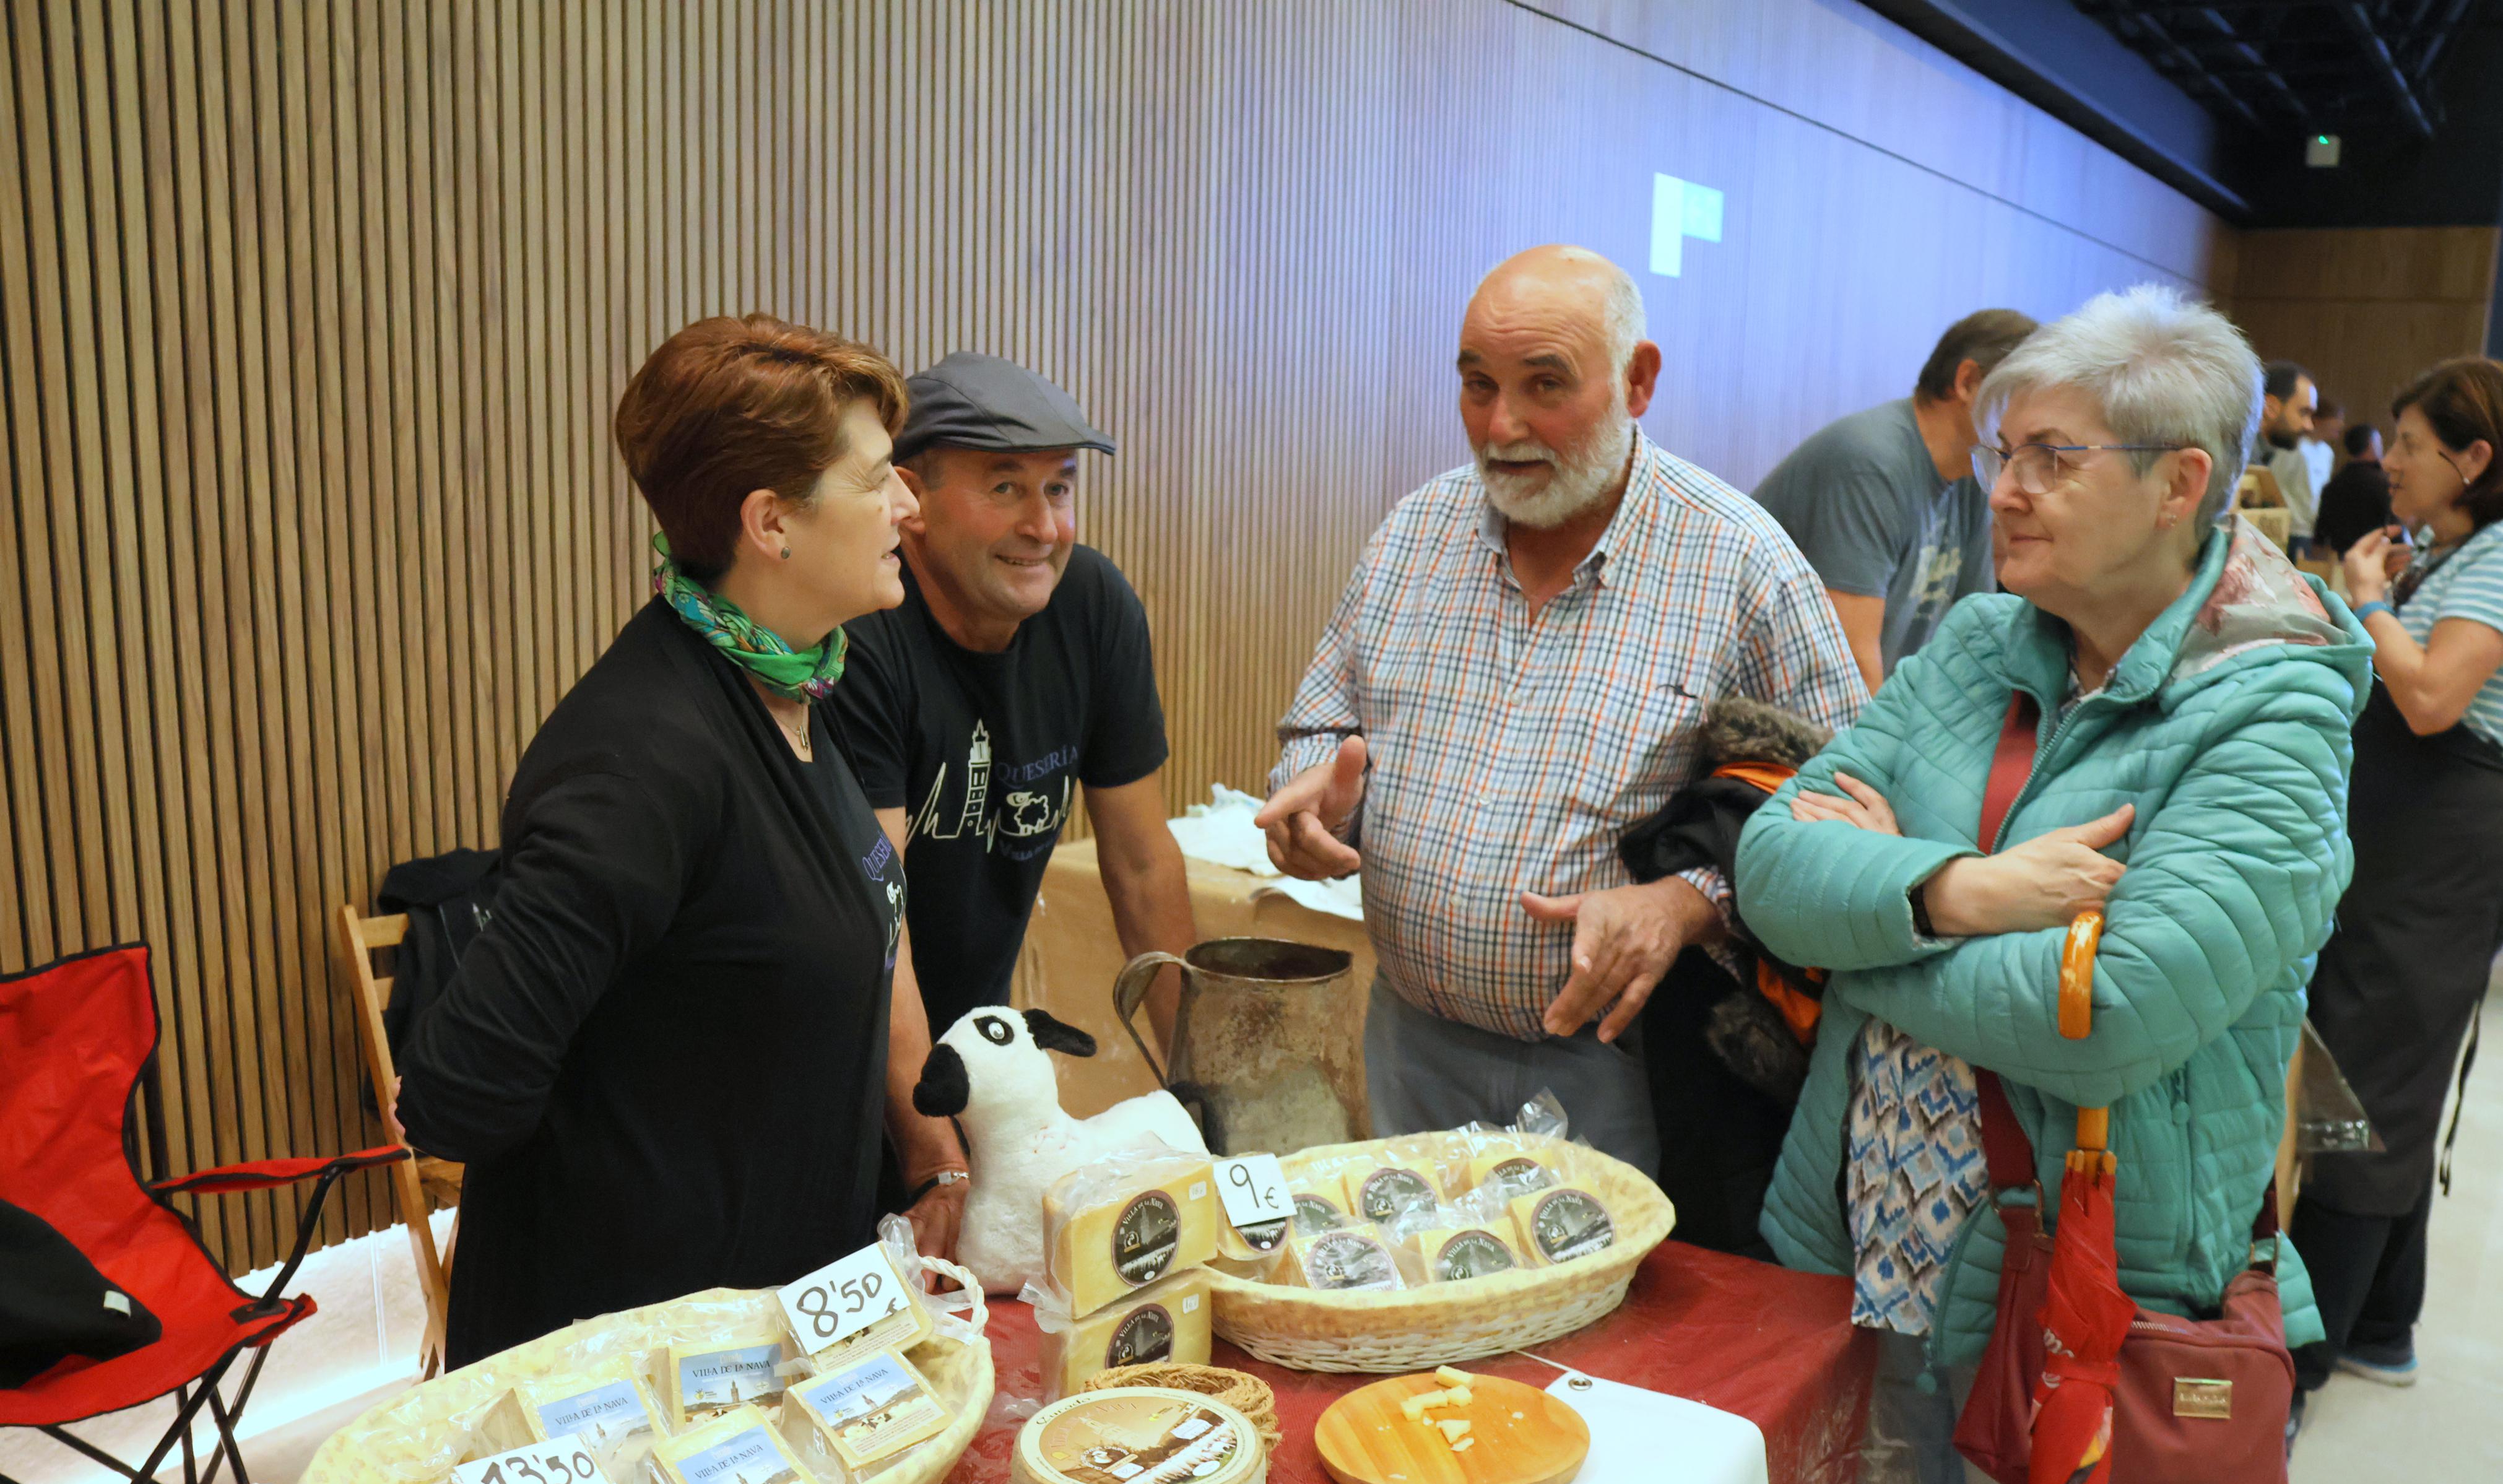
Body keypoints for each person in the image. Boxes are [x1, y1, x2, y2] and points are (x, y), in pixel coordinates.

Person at [1735, 286, 2367, 1484]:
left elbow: (2109, 1018)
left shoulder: (2271, 706)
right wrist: (1960, 893)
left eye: (2046, 460)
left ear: (2176, 486)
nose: (1998, 492)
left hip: (2060, 1263)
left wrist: (1872, 937)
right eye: (1998, 452)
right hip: (1863, 1226)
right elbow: (1773, 864)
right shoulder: (1979, 642)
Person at [1256, 245, 1864, 1178]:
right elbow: (1319, 727)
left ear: (1638, 379)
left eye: (1545, 385)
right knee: (1418, 1307)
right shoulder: (1414, 534)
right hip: (1412, 1042)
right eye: (1476, 385)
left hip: (1623, 1064)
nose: (1501, 426)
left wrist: (1682, 904)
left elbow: (1845, 810)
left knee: (1599, 1323)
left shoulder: (1739, 563)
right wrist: (1311, 799)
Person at [393, 316, 919, 1366]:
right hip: (639, 1371)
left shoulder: (795, 690)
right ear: (771, 523)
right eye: (876, 480)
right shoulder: (643, 757)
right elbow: (460, 1091)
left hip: (771, 1329)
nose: (909, 503)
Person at [833, 353, 1195, 1252]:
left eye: (1059, 489)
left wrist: (1202, 1093)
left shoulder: (1094, 606)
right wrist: (937, 1157)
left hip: (977, 1061)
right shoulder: (861, 633)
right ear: (909, 501)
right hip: (843, 1068)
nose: (1044, 526)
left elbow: (1143, 863)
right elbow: (878, 921)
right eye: (1006, 488)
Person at [2295, 357, 2503, 1402]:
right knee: (2391, 1074)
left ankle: (2303, 1366)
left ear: (2473, 458)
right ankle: (2381, 1323)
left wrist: (2366, 598)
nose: (2392, 469)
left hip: (2443, 850)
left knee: (2365, 1085)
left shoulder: (2500, 558)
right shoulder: (2453, 553)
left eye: (2412, 450)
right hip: (2404, 843)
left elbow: (2427, 699)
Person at [1753, 308, 2038, 690]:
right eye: (2024, 397)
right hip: (1777, 718)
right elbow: (1849, 665)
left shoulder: (1975, 472)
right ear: (1968, 382)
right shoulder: (1870, 461)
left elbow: (1975, 639)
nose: (2033, 419)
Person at [2257, 359, 2320, 555]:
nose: (2309, 426)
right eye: (2303, 413)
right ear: (2271, 407)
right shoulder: (2237, 456)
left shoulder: (2265, 454)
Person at [2314, 420, 2392, 560]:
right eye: (2379, 442)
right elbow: (2395, 525)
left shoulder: (2333, 485)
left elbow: (2321, 534)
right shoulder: (2384, 483)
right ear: (2371, 445)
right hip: (2375, 559)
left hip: (2340, 563)